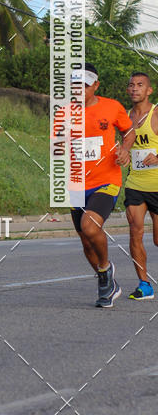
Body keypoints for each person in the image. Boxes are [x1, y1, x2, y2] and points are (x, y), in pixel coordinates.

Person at [60, 64, 135, 307]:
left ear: (95, 85)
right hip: (77, 184)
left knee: (90, 227)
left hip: (106, 180)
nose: (78, 89)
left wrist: (125, 150)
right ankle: (107, 281)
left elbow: (129, 132)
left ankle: (105, 268)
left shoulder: (112, 107)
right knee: (85, 241)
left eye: (83, 85)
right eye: (74, 85)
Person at [123, 72, 158, 300]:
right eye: (131, 85)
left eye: (140, 85)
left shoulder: (156, 114)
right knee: (135, 231)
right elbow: (123, 146)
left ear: (149, 90)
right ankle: (144, 285)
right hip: (135, 183)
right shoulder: (125, 117)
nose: (135, 88)